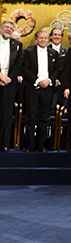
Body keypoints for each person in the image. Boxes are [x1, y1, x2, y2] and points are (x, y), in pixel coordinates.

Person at [22, 29, 59, 152]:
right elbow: (25, 69)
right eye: (41, 37)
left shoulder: (53, 53)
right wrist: (38, 81)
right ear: (36, 39)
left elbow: (56, 70)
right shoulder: (28, 51)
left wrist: (48, 80)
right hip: (32, 88)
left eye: (45, 37)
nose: (43, 40)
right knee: (31, 117)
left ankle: (41, 145)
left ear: (48, 39)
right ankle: (30, 145)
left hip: (47, 89)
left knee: (44, 118)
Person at [0, 20, 23, 151]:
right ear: (1, 28)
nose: (8, 29)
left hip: (9, 83)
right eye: (6, 27)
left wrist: (8, 78)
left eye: (11, 28)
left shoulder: (17, 44)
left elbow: (19, 64)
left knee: (7, 114)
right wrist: (0, 76)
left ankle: (4, 144)